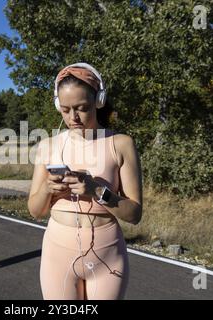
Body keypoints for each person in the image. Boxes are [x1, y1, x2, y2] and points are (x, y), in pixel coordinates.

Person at [28, 62, 143, 300]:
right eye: (66, 110)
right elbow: (35, 211)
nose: (74, 117)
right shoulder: (47, 146)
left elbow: (134, 214)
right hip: (57, 255)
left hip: (107, 255)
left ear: (99, 101)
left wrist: (96, 190)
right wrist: (47, 189)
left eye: (82, 108)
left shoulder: (121, 144)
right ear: (57, 105)